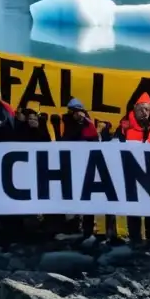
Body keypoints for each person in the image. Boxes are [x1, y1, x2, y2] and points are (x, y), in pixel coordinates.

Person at [115, 94, 150, 247]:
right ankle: (135, 239)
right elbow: (116, 144)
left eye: (147, 109)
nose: (144, 112)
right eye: (141, 109)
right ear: (135, 109)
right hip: (132, 172)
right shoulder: (125, 124)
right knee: (133, 207)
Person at [59, 98, 116, 241]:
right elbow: (66, 140)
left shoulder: (89, 124)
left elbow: (96, 140)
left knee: (99, 198)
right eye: (75, 112)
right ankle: (83, 230)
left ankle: (105, 232)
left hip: (94, 167)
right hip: (77, 167)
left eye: (80, 111)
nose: (78, 114)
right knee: (82, 200)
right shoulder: (67, 123)